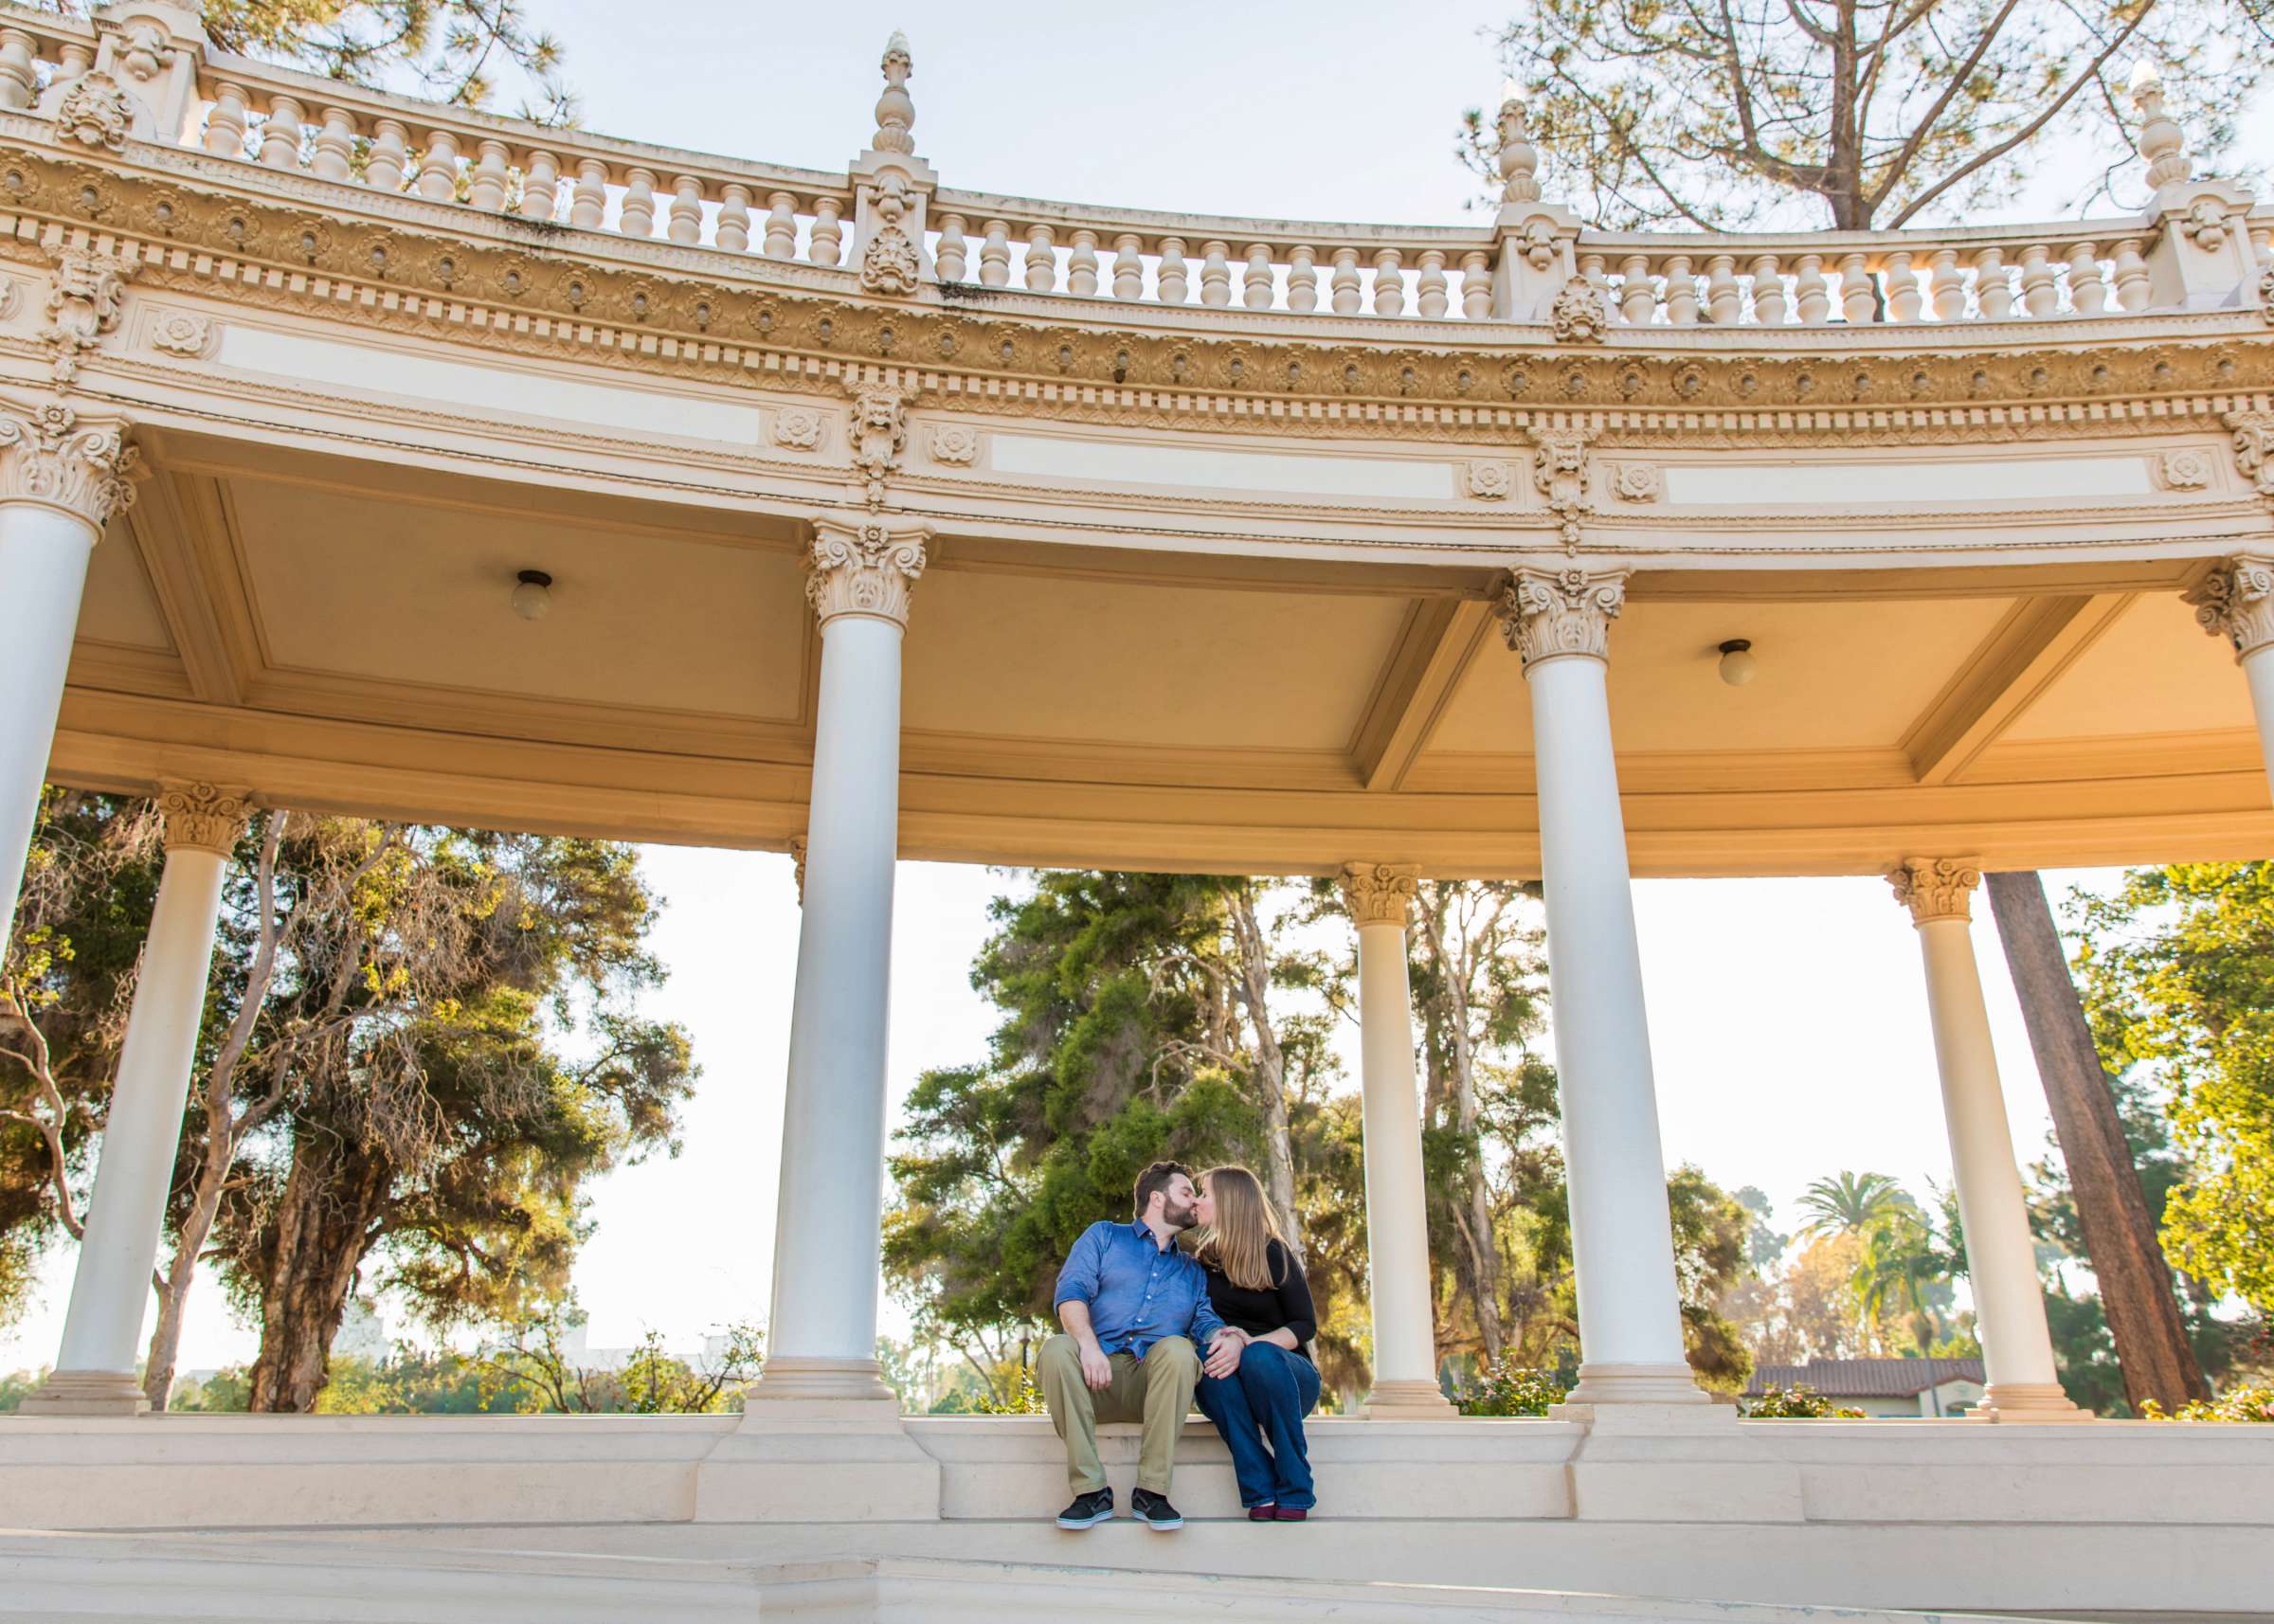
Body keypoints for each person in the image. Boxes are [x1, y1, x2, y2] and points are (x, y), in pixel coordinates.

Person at [1040, 1160, 1246, 1532]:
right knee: (1056, 1349)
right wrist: (1087, 1346)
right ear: (1157, 1198)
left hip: (1153, 1387)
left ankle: (1152, 1492)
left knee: (1179, 1350)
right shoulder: (1104, 1237)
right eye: (1187, 1192)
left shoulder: (1191, 1270)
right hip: (1092, 1379)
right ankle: (1091, 1492)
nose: (1196, 1202)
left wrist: (1231, 1338)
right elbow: (1070, 1294)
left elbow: (1205, 1323)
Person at [1189, 1164, 1322, 1522]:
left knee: (1260, 1356)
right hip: (1230, 1384)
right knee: (1207, 1355)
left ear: (1230, 1202)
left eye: (1206, 1194)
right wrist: (1226, 1342)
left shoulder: (1274, 1252)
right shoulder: (1202, 1263)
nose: (1198, 1202)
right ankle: (1259, 1488)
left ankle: (1296, 1487)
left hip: (1287, 1379)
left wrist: (1248, 1343)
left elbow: (1304, 1324)